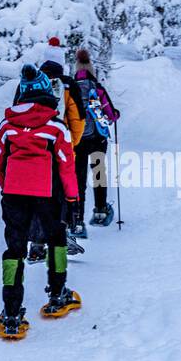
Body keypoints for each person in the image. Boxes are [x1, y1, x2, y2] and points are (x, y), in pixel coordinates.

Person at [0, 64, 83, 339]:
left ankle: (11, 311)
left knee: (14, 248)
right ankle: (58, 295)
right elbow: (67, 164)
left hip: (14, 193)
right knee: (56, 239)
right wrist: (73, 197)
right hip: (48, 193)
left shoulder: (7, 126)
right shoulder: (55, 127)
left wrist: (7, 187)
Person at [25, 37, 86, 259]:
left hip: (31, 149)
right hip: (60, 148)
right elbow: (78, 120)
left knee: (34, 194)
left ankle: (36, 244)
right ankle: (63, 235)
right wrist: (70, 144)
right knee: (61, 195)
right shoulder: (68, 85)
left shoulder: (29, 82)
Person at [72, 48, 121, 229]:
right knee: (98, 173)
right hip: (97, 138)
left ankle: (77, 218)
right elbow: (111, 114)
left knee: (79, 178)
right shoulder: (97, 89)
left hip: (77, 140)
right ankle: (100, 210)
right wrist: (115, 114)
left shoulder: (71, 90)